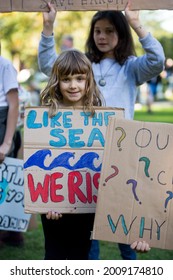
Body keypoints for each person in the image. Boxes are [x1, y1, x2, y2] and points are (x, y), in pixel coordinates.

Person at [38, 1, 165, 259]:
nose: (102, 37)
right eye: (97, 31)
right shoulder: (84, 64)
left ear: (121, 34)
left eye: (109, 31)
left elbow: (157, 60)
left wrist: (136, 23)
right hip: (88, 155)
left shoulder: (131, 67)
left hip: (122, 154)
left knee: (126, 223)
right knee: (89, 225)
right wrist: (48, 27)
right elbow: (48, 65)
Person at [0, 47, 24, 247]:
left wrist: (6, 143)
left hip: (4, 125)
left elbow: (14, 105)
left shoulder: (5, 65)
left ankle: (11, 232)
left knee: (7, 184)